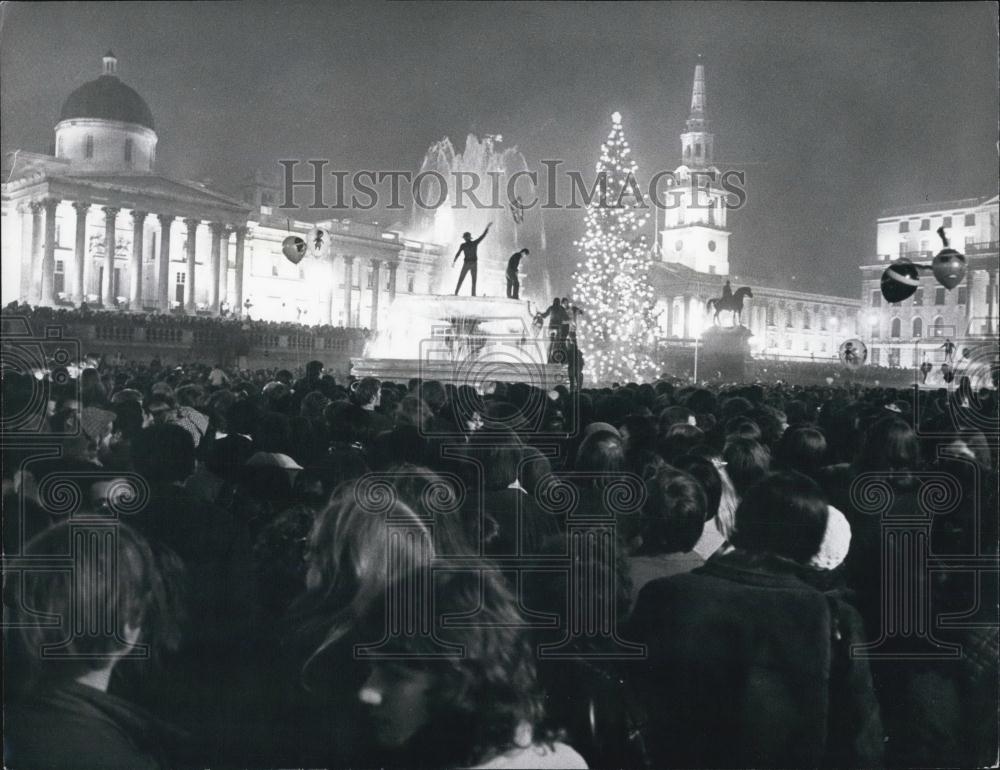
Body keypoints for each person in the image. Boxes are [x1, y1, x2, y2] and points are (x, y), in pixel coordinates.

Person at [453, 223, 492, 296]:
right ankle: (472, 294)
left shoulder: (464, 245)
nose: (465, 238)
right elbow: (482, 236)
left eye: (465, 237)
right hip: (473, 264)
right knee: (473, 280)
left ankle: (456, 292)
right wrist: (487, 228)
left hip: (468, 264)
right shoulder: (474, 243)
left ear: (465, 238)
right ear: (469, 237)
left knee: (462, 278)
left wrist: (454, 261)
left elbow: (458, 254)